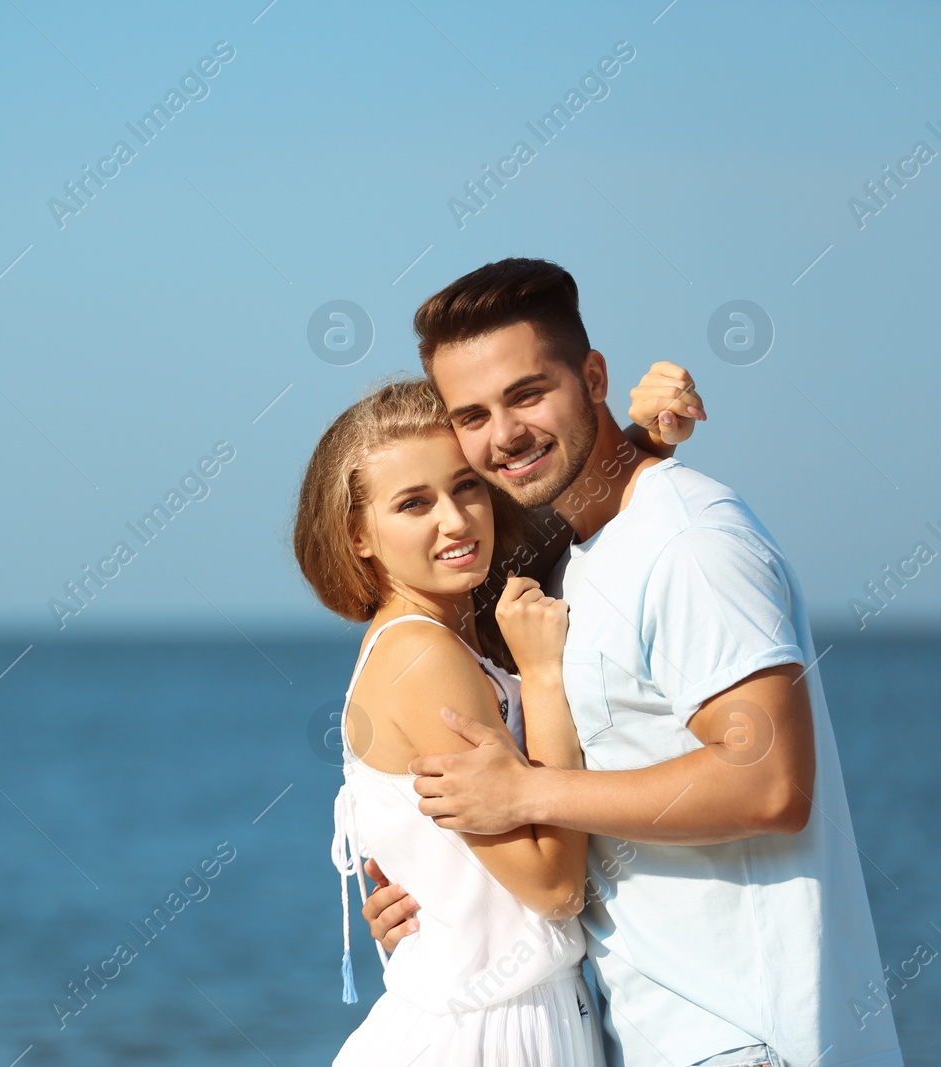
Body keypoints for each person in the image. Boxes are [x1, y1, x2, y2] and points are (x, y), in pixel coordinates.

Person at [361, 258, 902, 1067]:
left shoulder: (690, 542)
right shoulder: (579, 555)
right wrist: (443, 892)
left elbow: (771, 782)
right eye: (472, 414)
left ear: (594, 375)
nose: (503, 434)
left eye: (528, 393)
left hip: (750, 1039)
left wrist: (525, 790)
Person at [293, 365, 693, 1064]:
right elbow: (555, 886)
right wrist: (540, 675)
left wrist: (641, 437)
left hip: (512, 1017)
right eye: (413, 504)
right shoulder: (423, 656)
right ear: (358, 534)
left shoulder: (456, 627)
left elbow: (566, 510)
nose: (455, 519)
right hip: (484, 1033)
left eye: (466, 485)